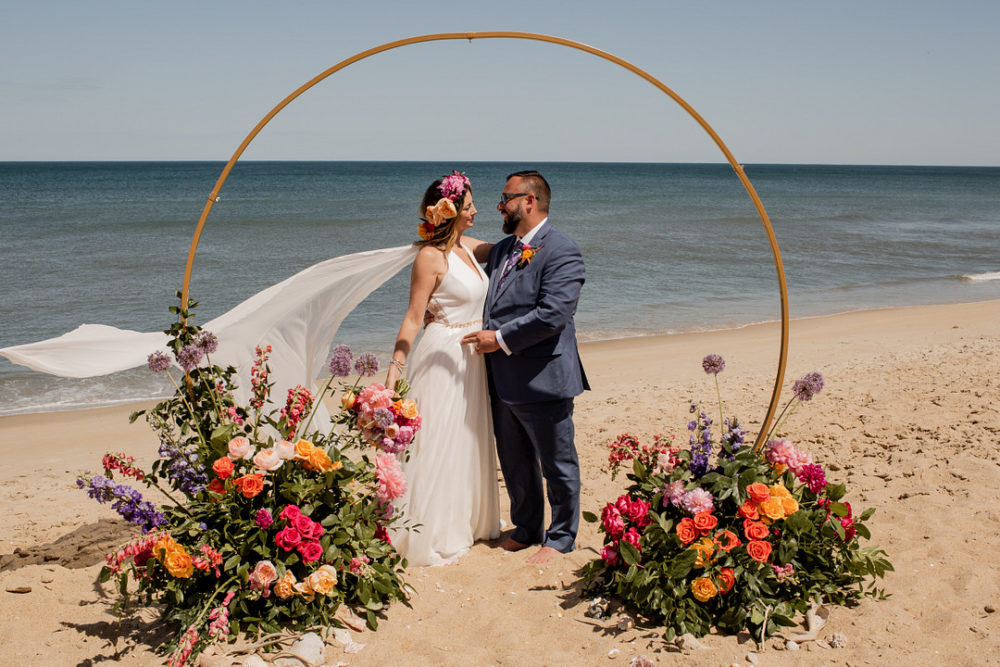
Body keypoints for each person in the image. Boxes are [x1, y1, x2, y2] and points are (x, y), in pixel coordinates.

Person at [461, 170, 589, 565]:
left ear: (529, 201)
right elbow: (462, 247)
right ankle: (527, 527)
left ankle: (562, 537)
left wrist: (497, 339)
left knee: (557, 463)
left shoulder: (562, 250)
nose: (500, 206)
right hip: (501, 379)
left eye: (506, 198)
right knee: (515, 462)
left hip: (543, 378)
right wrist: (440, 226)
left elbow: (553, 314)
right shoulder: (503, 250)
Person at [384, 171, 501, 566]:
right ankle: (430, 528)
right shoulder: (429, 257)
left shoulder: (468, 247)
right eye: (469, 207)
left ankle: (467, 521)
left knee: (466, 439)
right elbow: (415, 317)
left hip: (473, 356)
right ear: (449, 212)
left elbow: (509, 248)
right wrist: (394, 370)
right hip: (442, 356)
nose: (476, 212)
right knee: (438, 440)